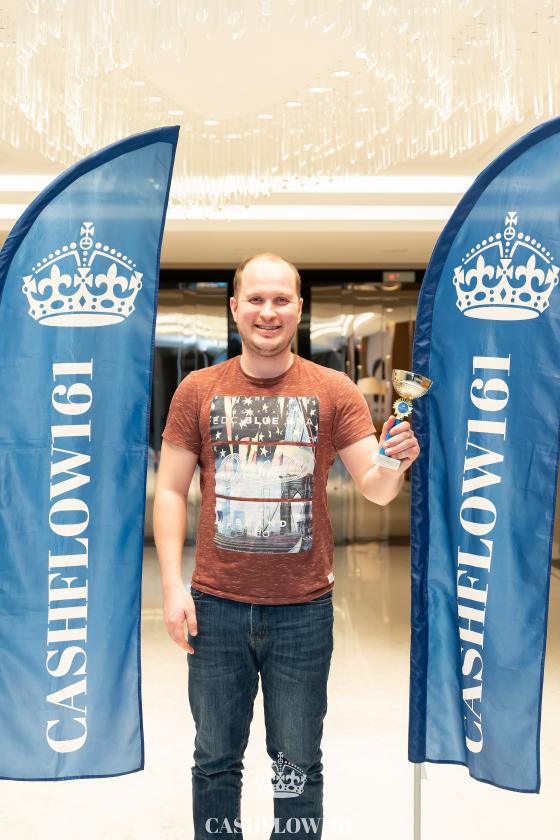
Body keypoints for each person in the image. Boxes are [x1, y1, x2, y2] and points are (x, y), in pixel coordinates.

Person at [153, 253, 420, 840]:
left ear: (299, 308)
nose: (267, 312)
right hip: (215, 607)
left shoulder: (333, 390)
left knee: (297, 765)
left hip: (303, 612)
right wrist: (172, 588)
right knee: (214, 760)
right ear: (235, 307)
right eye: (255, 299)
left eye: (280, 300)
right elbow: (170, 490)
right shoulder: (198, 389)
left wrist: (394, 462)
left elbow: (375, 488)